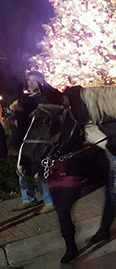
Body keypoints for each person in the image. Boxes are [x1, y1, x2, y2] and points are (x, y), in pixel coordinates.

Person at [12, 71, 54, 214]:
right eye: (29, 81)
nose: (31, 84)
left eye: (34, 81)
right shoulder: (25, 98)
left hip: (35, 140)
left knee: (38, 170)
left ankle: (49, 200)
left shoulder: (41, 99)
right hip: (21, 139)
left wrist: (21, 110)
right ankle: (28, 199)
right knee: (22, 171)